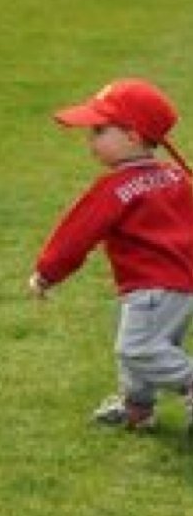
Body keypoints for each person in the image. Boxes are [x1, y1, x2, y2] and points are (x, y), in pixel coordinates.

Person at [29, 79, 193, 432]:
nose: (91, 141)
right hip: (179, 286)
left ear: (133, 136)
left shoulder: (114, 188)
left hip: (152, 286)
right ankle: (137, 409)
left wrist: (47, 272)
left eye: (99, 131)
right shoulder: (176, 177)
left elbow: (77, 233)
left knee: (136, 349)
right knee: (151, 344)